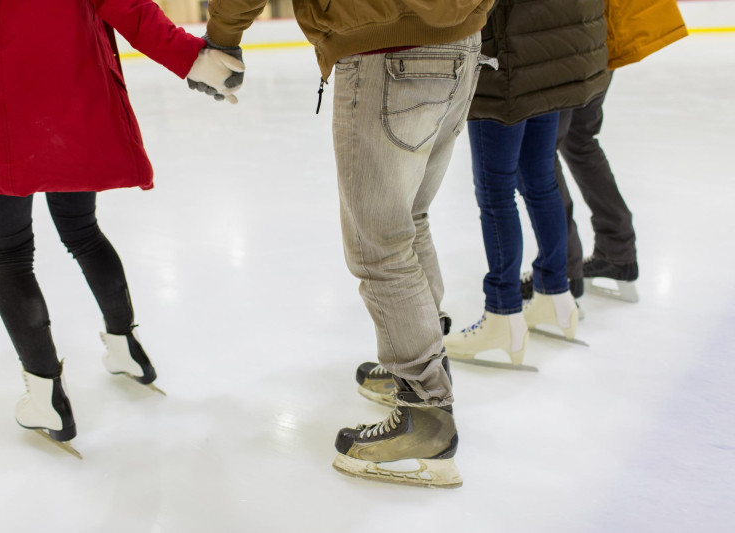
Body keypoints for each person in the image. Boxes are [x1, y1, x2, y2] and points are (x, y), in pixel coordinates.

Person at [199, 0, 494, 487]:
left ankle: (424, 413)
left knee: (379, 244)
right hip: (460, 43)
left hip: (385, 48)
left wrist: (224, 34)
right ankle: (419, 366)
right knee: (408, 218)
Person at [0, 0, 243, 455]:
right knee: (82, 231)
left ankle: (46, 398)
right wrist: (191, 57)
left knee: (9, 255)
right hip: (64, 94)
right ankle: (126, 348)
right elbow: (127, 5)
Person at [443, 0, 610, 369]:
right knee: (539, 177)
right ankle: (556, 293)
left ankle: (503, 314)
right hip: (551, 58)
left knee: (495, 190)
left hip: (505, 61)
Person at [520, 0, 688, 304]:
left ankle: (562, 270)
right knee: (578, 140)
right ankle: (616, 251)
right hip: (597, 37)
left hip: (572, 38)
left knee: (543, 151)